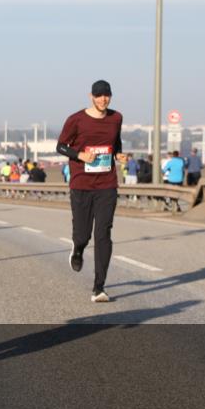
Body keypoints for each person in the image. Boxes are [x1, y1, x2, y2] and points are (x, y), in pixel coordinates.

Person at [56, 79, 128, 303]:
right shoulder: (76, 119)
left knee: (103, 233)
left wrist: (118, 155)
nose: (102, 99)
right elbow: (60, 146)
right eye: (98, 96)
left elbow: (115, 142)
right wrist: (79, 155)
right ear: (91, 96)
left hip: (107, 184)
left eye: (106, 95)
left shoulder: (116, 118)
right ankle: (78, 249)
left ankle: (99, 287)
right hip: (81, 184)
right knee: (83, 234)